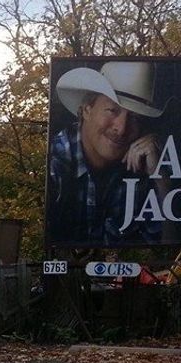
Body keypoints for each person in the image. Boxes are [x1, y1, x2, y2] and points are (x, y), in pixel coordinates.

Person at [48, 61, 172, 245]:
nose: (121, 129)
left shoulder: (143, 165)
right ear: (87, 110)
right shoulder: (54, 162)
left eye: (135, 118)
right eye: (112, 110)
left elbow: (167, 249)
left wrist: (161, 178)